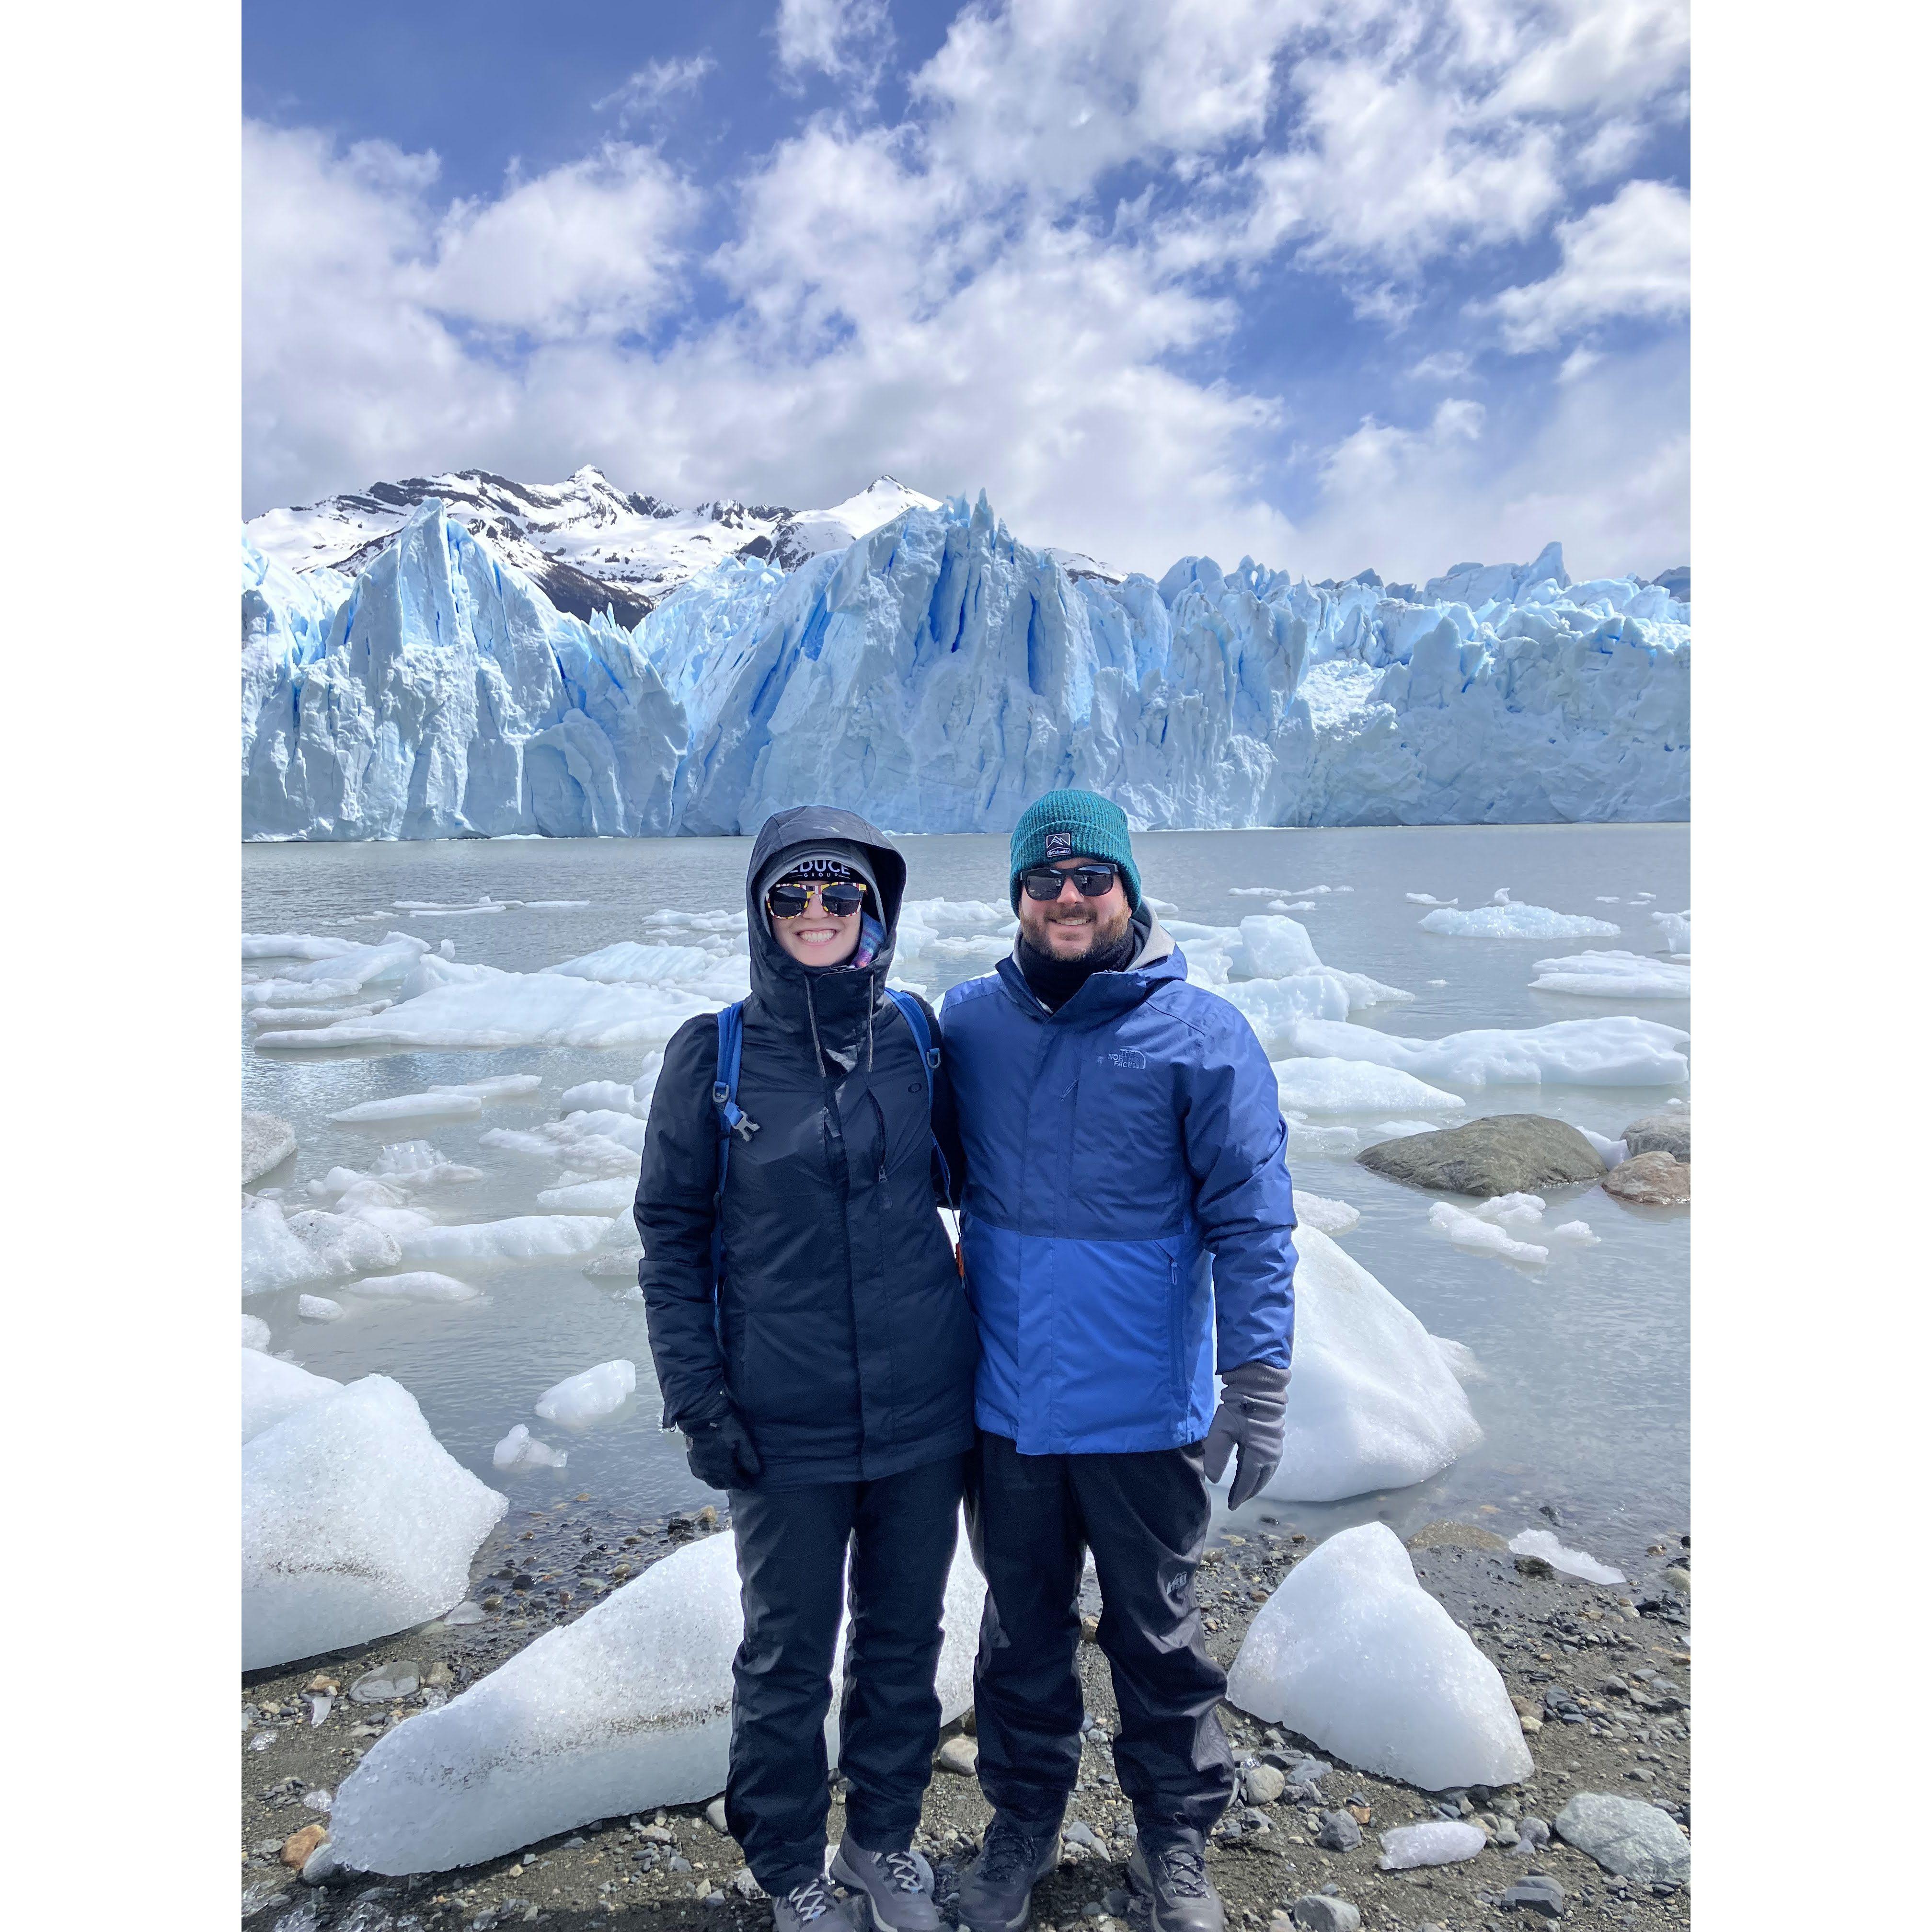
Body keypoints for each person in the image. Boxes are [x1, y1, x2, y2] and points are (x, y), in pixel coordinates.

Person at [938, 789, 1298, 1932]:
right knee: (1021, 1633)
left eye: (1091, 878)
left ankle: (1174, 1846)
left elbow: (1252, 1219)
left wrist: (1260, 1377)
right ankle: (1024, 1829)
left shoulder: (1203, 1036)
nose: (1068, 900)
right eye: (1043, 883)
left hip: (1148, 1413)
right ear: (1018, 900)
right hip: (1011, 1410)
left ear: (1130, 889)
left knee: (1160, 1641)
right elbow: (906, 1181)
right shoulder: (969, 1025)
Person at [635, 806, 978, 1932]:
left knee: (904, 1638)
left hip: (926, 1411)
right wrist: (697, 1399)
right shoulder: (715, 1053)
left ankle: (881, 1845)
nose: (818, 915)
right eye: (794, 896)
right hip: (782, 1421)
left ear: (875, 912)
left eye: (841, 897)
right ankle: (788, 1868)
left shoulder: (918, 1035)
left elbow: (1000, 1184)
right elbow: (671, 1238)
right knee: (786, 1656)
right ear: (761, 911)